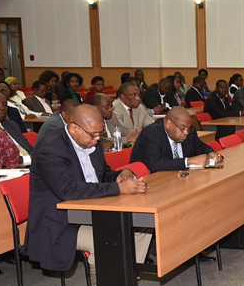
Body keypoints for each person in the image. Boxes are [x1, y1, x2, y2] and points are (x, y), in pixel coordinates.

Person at [26, 105, 151, 280]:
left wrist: (120, 176)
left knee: (142, 225)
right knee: (106, 241)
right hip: (61, 221)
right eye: (93, 134)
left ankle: (124, 277)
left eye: (99, 133)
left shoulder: (92, 142)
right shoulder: (50, 149)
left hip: (92, 209)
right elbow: (67, 190)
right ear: (73, 128)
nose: (97, 139)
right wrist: (118, 188)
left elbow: (102, 175)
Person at [129, 107, 223, 173]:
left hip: (178, 179)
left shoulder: (189, 131)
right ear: (169, 124)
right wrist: (189, 161)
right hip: (151, 183)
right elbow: (156, 164)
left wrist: (211, 153)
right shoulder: (151, 134)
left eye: (188, 129)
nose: (186, 132)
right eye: (183, 128)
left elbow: (199, 146)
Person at [0, 91, 33, 166]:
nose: (2, 108)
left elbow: (29, 148)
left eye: (5, 105)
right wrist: (31, 159)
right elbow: (0, 160)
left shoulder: (11, 124)